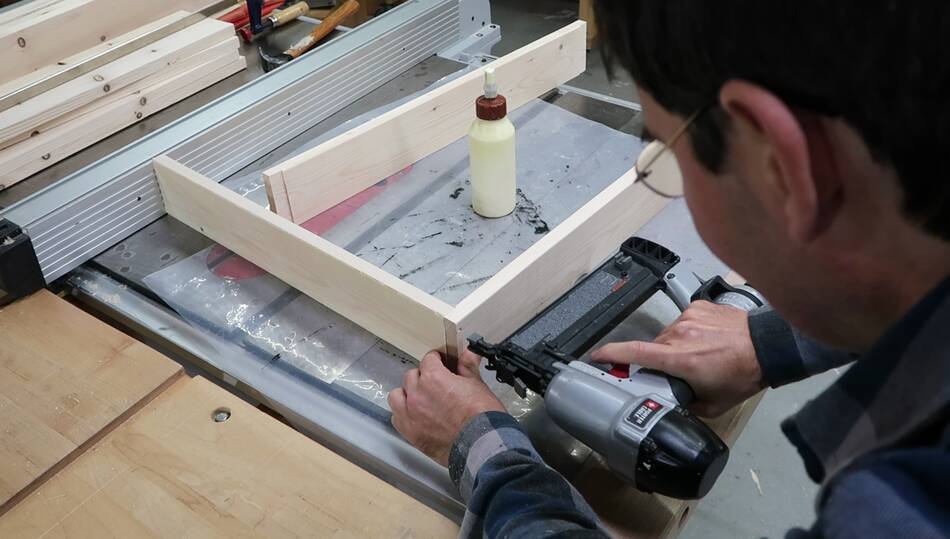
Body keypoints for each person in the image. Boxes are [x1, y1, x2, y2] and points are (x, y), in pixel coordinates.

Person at [387, 1, 950, 537]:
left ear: (782, 168)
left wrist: (485, 452)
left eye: (667, 155)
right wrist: (773, 343)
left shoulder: (906, 506)